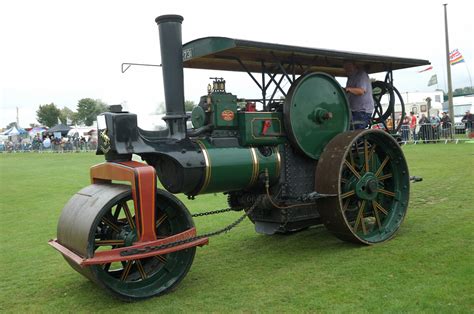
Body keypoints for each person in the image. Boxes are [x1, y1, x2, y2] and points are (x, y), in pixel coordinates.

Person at [343, 61, 374, 129]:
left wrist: (348, 89)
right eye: (345, 67)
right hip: (353, 110)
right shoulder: (350, 77)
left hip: (362, 111)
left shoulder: (361, 75)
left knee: (356, 131)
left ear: (354, 65)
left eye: (348, 67)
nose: (346, 69)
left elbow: (361, 91)